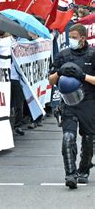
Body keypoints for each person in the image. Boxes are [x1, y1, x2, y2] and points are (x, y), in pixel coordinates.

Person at [48, 24, 95, 189]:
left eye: (75, 37)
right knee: (68, 138)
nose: (72, 40)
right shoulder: (63, 55)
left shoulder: (93, 54)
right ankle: (70, 174)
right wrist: (59, 72)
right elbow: (51, 80)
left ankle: (84, 169)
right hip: (68, 102)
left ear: (83, 37)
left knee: (88, 140)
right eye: (70, 37)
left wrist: (83, 76)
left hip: (89, 102)